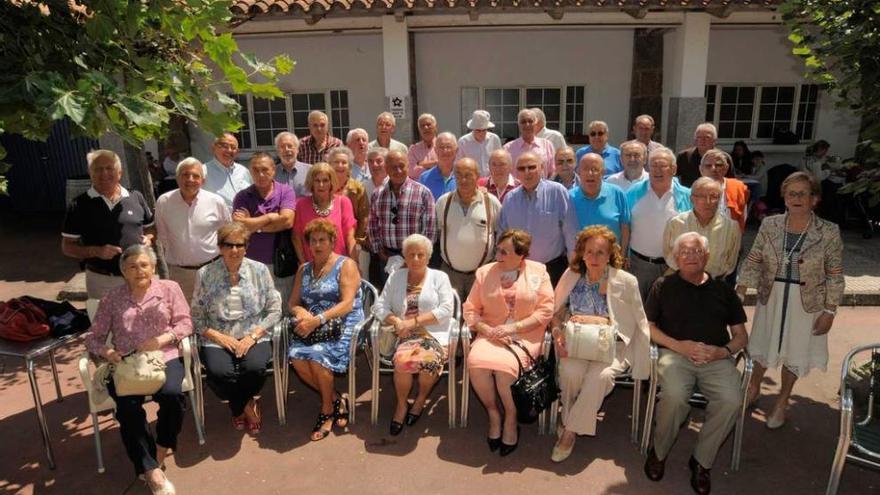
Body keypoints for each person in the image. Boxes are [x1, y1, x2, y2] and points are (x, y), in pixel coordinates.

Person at [643, 232, 749, 495]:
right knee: (676, 395)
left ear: (707, 257)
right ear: (676, 258)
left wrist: (721, 352)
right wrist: (678, 346)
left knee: (731, 400)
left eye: (697, 251)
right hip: (675, 355)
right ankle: (659, 451)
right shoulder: (662, 286)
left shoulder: (724, 290)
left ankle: (702, 461)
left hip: (715, 358)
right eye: (685, 252)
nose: (691, 256)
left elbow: (741, 337)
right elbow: (649, 327)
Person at [736, 171, 844, 429]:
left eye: (802, 193)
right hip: (771, 296)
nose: (796, 198)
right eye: (791, 193)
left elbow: (835, 274)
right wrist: (741, 290)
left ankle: (783, 400)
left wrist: (830, 310)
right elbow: (754, 258)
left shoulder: (828, 231)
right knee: (761, 345)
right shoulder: (770, 224)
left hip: (806, 302)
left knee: (795, 351)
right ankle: (753, 387)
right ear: (784, 196)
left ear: (814, 199)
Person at [85, 245, 192, 495]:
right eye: (132, 266)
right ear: (123, 271)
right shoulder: (112, 298)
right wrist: (107, 353)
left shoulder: (169, 289)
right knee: (127, 409)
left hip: (163, 357)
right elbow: (93, 337)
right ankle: (151, 471)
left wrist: (162, 340)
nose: (139, 270)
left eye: (144, 265)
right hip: (126, 365)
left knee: (173, 395)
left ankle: (162, 445)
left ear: (153, 267)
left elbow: (186, 322)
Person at [550, 226, 650, 462]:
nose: (594, 258)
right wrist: (557, 332)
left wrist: (640, 354)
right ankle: (575, 418)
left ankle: (569, 430)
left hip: (613, 346)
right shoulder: (571, 275)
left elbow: (639, 320)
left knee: (601, 378)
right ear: (581, 253)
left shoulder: (626, 281)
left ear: (610, 254)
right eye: (589, 252)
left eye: (601, 252)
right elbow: (555, 311)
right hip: (575, 342)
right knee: (570, 372)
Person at [464, 229, 554, 456]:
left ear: (520, 254)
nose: (498, 254)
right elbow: (470, 309)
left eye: (504, 251)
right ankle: (494, 414)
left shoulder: (539, 272)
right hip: (491, 333)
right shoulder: (485, 272)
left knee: (505, 370)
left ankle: (511, 419)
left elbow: (545, 311)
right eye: (498, 249)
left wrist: (513, 328)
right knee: (476, 363)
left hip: (525, 334)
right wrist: (486, 329)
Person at [192, 222, 281, 436]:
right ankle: (245, 406)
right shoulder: (205, 274)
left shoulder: (259, 270)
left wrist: (253, 336)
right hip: (217, 336)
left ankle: (238, 406)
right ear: (220, 247)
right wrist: (219, 337)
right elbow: (195, 315)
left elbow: (275, 309)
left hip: (253, 333)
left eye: (239, 245)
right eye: (228, 245)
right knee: (220, 372)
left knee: (255, 368)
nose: (234, 250)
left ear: (246, 247)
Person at [288, 219, 363, 441]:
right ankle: (336, 400)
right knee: (297, 358)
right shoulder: (304, 269)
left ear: (332, 242)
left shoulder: (346, 265)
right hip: (313, 324)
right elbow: (292, 303)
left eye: (322, 240)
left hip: (344, 323)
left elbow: (347, 303)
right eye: (313, 240)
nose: (317, 245)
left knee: (317, 357)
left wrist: (317, 320)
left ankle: (326, 410)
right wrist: (300, 312)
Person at [372, 234, 455, 435]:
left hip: (433, 334)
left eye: (420, 254)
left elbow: (446, 309)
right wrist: (397, 321)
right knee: (402, 361)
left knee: (428, 362)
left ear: (428, 257)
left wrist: (414, 321)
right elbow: (379, 306)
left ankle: (419, 399)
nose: (416, 259)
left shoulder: (440, 277)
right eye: (411, 254)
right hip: (404, 334)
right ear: (404, 257)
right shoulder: (396, 276)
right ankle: (401, 405)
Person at [62, 149, 155, 299]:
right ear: (90, 173)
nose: (104, 173)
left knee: (143, 320)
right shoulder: (79, 205)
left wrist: (149, 238)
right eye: (98, 169)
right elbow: (67, 246)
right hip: (102, 281)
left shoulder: (136, 197)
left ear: (119, 172)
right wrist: (96, 251)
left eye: (109, 168)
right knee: (106, 322)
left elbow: (150, 227)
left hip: (139, 277)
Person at [155, 157, 231, 303]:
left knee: (218, 312)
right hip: (180, 273)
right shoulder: (164, 202)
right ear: (177, 178)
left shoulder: (216, 202)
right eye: (185, 175)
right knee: (184, 317)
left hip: (213, 270)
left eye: (196, 176)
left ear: (203, 180)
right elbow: (163, 237)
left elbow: (227, 234)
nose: (190, 179)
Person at [498, 152, 578, 285]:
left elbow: (570, 232)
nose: (527, 172)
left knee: (552, 306)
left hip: (552, 269)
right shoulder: (510, 199)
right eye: (522, 169)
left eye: (531, 167)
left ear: (542, 168)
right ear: (516, 172)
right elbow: (502, 234)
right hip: (518, 270)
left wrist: (573, 268)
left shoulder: (557, 192)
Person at [626, 147, 693, 301]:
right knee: (638, 312)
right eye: (653, 166)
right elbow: (624, 226)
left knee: (670, 312)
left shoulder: (687, 196)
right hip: (639, 265)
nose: (657, 170)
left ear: (674, 169)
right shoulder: (633, 193)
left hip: (674, 267)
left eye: (662, 165)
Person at [232, 152, 297, 305]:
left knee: (284, 306)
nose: (260, 174)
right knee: (256, 306)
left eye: (265, 170)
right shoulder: (242, 196)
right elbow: (240, 227)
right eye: (255, 170)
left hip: (281, 263)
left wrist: (253, 224)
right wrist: (269, 217)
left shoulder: (285, 191)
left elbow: (287, 221)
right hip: (251, 263)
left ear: (273, 170)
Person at [367, 150, 436, 289]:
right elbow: (373, 225)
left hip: (415, 259)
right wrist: (380, 253)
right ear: (386, 169)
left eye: (401, 166)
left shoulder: (423, 193)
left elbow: (430, 231)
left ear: (408, 166)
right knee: (390, 301)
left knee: (414, 301)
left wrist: (414, 258)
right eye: (393, 167)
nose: (398, 171)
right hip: (386, 259)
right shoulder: (377, 194)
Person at [436, 158, 502, 297]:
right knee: (452, 316)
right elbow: (437, 233)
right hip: (450, 275)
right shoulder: (444, 202)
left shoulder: (491, 202)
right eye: (458, 175)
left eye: (468, 175)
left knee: (479, 317)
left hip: (481, 274)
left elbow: (499, 235)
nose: (463, 180)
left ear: (477, 176)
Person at [663, 178, 741, 281]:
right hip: (681, 284)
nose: (708, 202)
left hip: (714, 285)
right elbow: (668, 254)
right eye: (702, 197)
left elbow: (731, 261)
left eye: (714, 196)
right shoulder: (675, 223)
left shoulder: (731, 228)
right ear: (692, 199)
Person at [293, 163, 356, 263]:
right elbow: (296, 238)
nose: (321, 185)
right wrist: (304, 265)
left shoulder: (343, 202)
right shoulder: (301, 204)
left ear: (331, 183)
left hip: (339, 265)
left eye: (325, 180)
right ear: (311, 183)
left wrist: (354, 263)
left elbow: (350, 237)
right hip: (312, 266)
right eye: (317, 181)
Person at [569, 153, 631, 252]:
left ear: (603, 172)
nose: (590, 173)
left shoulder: (617, 193)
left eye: (595, 169)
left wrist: (622, 255)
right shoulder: (569, 198)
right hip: (581, 259)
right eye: (585, 169)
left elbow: (625, 228)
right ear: (578, 171)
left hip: (611, 258)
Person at [329, 146, 370, 273]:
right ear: (329, 165)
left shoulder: (357, 188)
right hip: (329, 244)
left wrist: (357, 242)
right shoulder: (322, 186)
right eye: (336, 162)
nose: (340, 165)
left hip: (353, 244)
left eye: (344, 162)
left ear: (350, 167)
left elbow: (364, 217)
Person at [699, 149, 750, 232]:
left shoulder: (737, 188)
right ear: (701, 169)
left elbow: (742, 219)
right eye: (708, 166)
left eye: (718, 165)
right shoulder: (693, 191)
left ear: (726, 168)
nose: (713, 168)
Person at [202, 133, 252, 210]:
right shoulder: (203, 171)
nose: (229, 150)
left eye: (233, 147)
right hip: (218, 220)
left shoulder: (243, 171)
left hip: (245, 219)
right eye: (224, 146)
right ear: (213, 148)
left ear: (237, 152)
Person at [503, 109, 556, 178]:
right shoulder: (507, 149)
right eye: (523, 122)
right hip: (517, 188)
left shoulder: (547, 145)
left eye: (530, 121)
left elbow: (553, 171)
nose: (527, 125)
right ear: (519, 125)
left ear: (536, 123)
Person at [457, 110, 502, 177]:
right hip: (471, 180)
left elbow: (500, 159)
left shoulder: (495, 139)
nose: (481, 133)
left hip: (492, 180)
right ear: (473, 129)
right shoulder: (463, 142)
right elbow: (458, 164)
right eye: (478, 130)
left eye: (484, 130)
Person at [419, 132, 458, 201]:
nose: (445, 151)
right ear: (435, 150)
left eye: (448, 147)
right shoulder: (424, 178)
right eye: (441, 147)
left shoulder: (463, 176)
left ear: (456, 150)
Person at [676, 123, 717, 188]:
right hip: (689, 195)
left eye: (707, 137)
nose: (702, 140)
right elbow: (674, 177)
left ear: (714, 140)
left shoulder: (723, 158)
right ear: (695, 140)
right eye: (699, 137)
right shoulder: (684, 156)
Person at [274, 131, 312, 198]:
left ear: (297, 150)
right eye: (282, 147)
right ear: (278, 152)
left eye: (290, 146)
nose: (287, 149)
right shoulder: (272, 173)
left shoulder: (310, 171)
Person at [407, 113, 439, 179]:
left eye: (428, 124)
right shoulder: (413, 149)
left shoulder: (443, 146)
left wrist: (421, 164)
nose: (425, 127)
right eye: (422, 126)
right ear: (419, 130)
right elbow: (411, 172)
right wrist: (435, 163)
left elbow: (446, 168)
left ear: (435, 127)